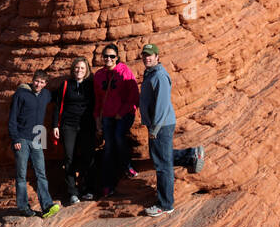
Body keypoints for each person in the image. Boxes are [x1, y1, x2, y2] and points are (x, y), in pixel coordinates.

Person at [137, 43, 205, 216]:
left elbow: (162, 104)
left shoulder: (159, 75)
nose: (147, 58)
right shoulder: (150, 73)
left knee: (162, 165)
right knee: (160, 156)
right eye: (145, 55)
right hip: (158, 124)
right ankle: (191, 155)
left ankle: (165, 204)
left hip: (161, 125)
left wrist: (155, 128)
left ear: (157, 56)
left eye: (150, 55)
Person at [8, 70, 61, 219]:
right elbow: (12, 119)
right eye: (36, 81)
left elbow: (59, 98)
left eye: (42, 82)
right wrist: (15, 139)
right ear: (33, 80)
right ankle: (23, 207)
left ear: (46, 84)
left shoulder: (46, 94)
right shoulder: (21, 94)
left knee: (41, 173)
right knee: (21, 174)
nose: (38, 84)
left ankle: (47, 206)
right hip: (22, 138)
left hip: (39, 136)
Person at [94, 42, 139, 197]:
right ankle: (107, 185)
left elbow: (133, 94)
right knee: (108, 148)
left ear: (117, 58)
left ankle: (127, 166)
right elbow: (98, 100)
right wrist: (97, 119)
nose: (108, 59)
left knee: (119, 137)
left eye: (112, 56)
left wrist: (121, 112)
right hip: (107, 116)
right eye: (105, 56)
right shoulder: (99, 75)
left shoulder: (124, 71)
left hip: (124, 114)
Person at [52, 56, 96, 204]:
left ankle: (88, 188)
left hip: (86, 125)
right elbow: (58, 106)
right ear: (73, 69)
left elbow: (97, 105)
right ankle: (72, 192)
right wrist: (55, 126)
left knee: (87, 156)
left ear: (86, 70)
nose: (79, 70)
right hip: (68, 125)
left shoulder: (90, 85)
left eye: (82, 68)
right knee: (69, 157)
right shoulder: (66, 84)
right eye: (77, 68)